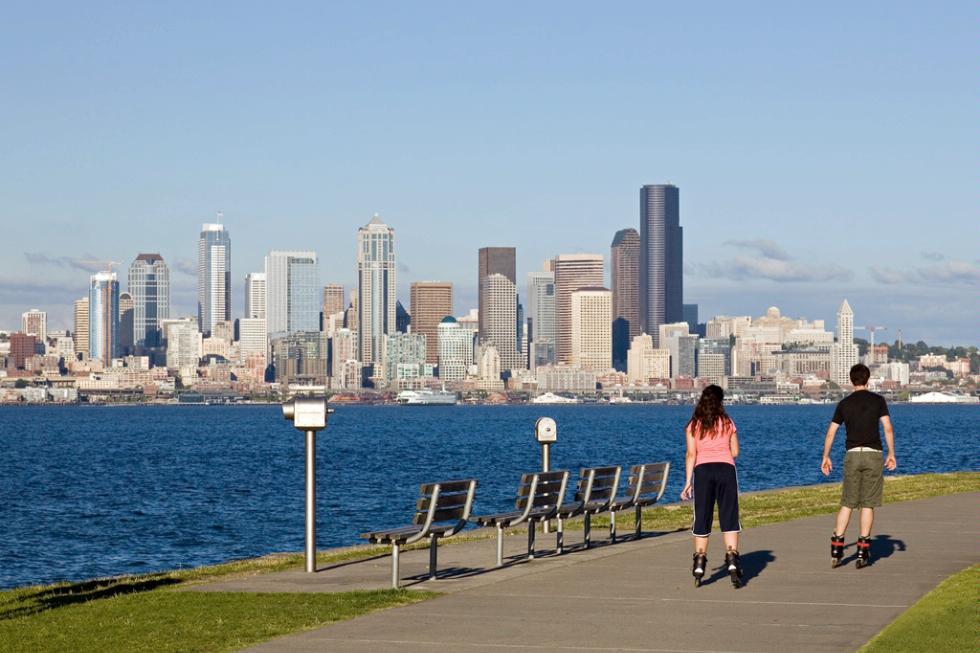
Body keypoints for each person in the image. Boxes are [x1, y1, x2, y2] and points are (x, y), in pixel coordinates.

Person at [821, 363, 896, 569]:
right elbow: (887, 428)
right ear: (868, 379)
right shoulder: (878, 401)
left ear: (851, 380)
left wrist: (826, 456)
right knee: (867, 504)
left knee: (848, 502)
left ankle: (837, 545)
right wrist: (891, 453)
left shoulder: (844, 404)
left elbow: (831, 432)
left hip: (852, 455)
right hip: (873, 455)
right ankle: (863, 548)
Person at [680, 384, 743, 588]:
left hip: (703, 471)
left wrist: (687, 482)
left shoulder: (693, 425)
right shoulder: (727, 422)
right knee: (729, 515)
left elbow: (691, 454)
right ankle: (732, 559)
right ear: (720, 401)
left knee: (703, 516)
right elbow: (735, 452)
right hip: (726, 470)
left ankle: (699, 562)